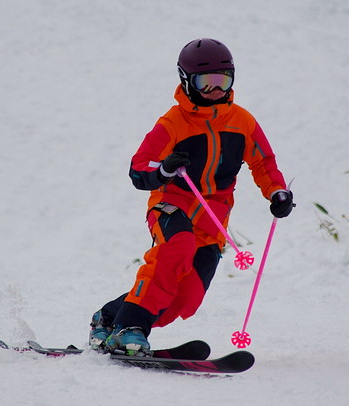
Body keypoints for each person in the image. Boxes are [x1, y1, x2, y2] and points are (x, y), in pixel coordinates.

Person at [89, 38, 294, 356]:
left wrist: (277, 192)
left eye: (222, 81)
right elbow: (139, 168)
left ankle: (109, 317)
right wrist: (165, 171)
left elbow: (263, 162)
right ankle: (131, 328)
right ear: (186, 81)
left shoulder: (242, 122)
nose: (215, 90)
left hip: (213, 221)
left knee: (185, 299)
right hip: (171, 204)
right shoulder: (173, 123)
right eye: (205, 82)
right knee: (176, 248)